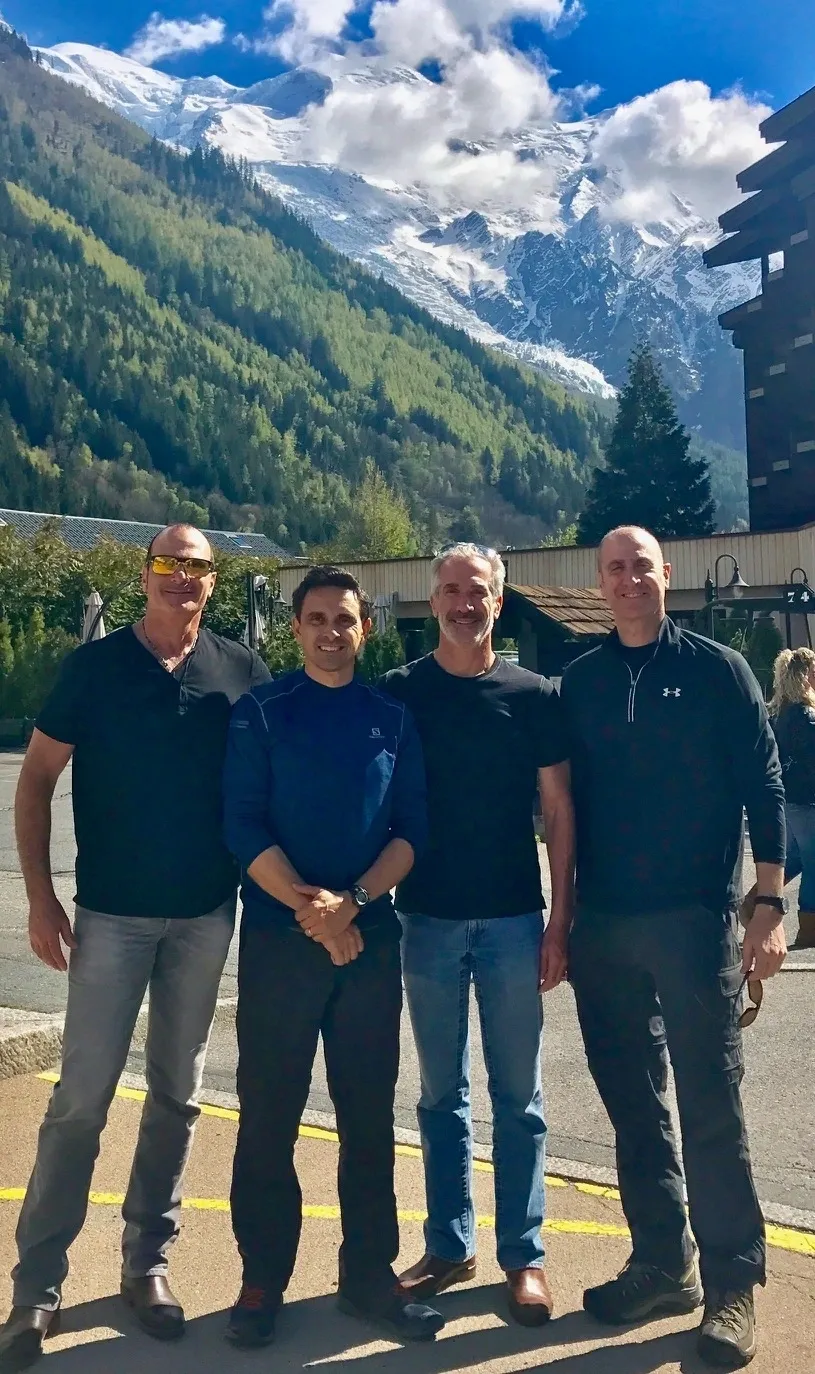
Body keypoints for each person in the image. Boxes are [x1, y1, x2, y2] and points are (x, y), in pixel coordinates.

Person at [0, 524, 270, 1371]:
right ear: (144, 573)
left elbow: (274, 781)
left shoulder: (241, 671)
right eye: (167, 563)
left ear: (213, 582)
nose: (180, 577)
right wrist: (40, 897)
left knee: (176, 1095)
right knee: (80, 1100)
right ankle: (36, 1288)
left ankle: (145, 1265)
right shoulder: (95, 668)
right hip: (110, 919)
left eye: (196, 567)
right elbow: (35, 779)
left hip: (204, 916)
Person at [561, 525, 786, 1369]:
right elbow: (558, 804)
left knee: (709, 1103)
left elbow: (763, 783)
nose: (628, 581)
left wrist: (769, 901)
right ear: (600, 582)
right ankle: (662, 1262)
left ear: (666, 575)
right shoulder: (579, 681)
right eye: (614, 569)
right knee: (633, 1102)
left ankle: (732, 1285)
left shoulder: (718, 671)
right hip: (603, 924)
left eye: (640, 568)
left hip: (694, 921)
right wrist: (560, 920)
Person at [221, 565, 443, 1350]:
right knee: (268, 1115)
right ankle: (261, 1279)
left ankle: (368, 1278)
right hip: (280, 943)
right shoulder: (261, 711)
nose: (330, 632)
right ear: (295, 628)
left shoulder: (391, 717)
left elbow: (411, 831)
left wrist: (351, 902)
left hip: (367, 943)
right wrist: (315, 914)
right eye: (315, 619)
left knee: (367, 1117)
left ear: (364, 629)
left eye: (343, 620)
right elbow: (242, 825)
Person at [381, 543, 574, 1327]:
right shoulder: (398, 693)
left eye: (479, 591)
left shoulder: (533, 694)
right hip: (423, 918)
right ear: (433, 601)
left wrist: (560, 919)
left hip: (511, 920)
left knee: (518, 1099)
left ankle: (522, 1256)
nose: (465, 603)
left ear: (499, 601)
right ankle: (448, 1245)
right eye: (452, 590)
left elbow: (557, 809)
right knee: (439, 1097)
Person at [769, 648, 815, 948]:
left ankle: (755, 901)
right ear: (806, 676)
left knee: (796, 858)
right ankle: (809, 927)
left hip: (786, 796)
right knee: (813, 863)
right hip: (808, 798)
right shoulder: (809, 717)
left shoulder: (778, 713)